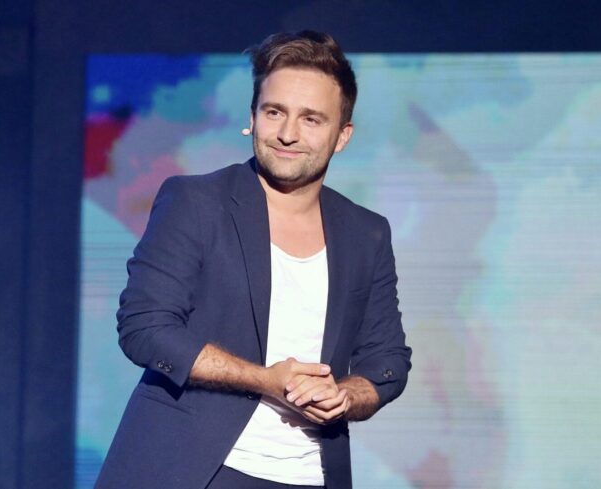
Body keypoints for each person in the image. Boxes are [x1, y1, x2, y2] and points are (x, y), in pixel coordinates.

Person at [95, 30, 412, 489]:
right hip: (192, 469)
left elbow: (387, 361)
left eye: (311, 119)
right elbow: (144, 328)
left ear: (342, 136)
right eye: (274, 112)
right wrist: (263, 379)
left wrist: (344, 394)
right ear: (252, 117)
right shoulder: (197, 202)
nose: (287, 134)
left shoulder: (366, 233)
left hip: (311, 474)